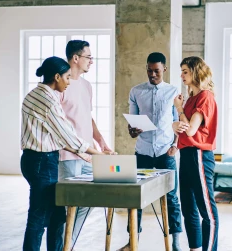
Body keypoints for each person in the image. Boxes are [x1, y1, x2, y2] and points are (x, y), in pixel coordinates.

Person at [20, 56, 107, 251]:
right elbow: (69, 136)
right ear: (57, 76)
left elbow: (57, 137)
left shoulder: (34, 94)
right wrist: (98, 155)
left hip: (34, 159)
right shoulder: (49, 99)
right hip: (43, 161)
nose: (69, 82)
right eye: (67, 78)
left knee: (57, 214)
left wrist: (87, 154)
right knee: (39, 216)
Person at [117, 52, 183, 251]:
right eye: (149, 70)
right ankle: (132, 241)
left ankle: (176, 242)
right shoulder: (136, 91)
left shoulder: (173, 91)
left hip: (166, 152)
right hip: (143, 151)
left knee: (172, 197)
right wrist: (133, 130)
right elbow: (132, 127)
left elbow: (179, 120)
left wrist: (176, 145)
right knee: (135, 197)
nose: (152, 74)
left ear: (164, 69)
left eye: (156, 71)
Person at [58, 40, 114, 248]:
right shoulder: (61, 85)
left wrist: (101, 142)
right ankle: (64, 245)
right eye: (88, 57)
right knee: (68, 205)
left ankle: (68, 244)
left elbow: (87, 117)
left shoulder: (86, 85)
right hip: (68, 156)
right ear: (75, 58)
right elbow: (59, 123)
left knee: (90, 198)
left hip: (89, 155)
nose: (92, 61)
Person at [172, 56, 219, 251]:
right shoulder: (192, 97)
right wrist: (176, 124)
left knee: (207, 212)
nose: (182, 75)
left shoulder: (205, 96)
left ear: (195, 72)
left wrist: (179, 110)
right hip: (186, 155)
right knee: (189, 209)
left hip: (199, 155)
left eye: (185, 71)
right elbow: (182, 127)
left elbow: (190, 130)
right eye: (181, 71)